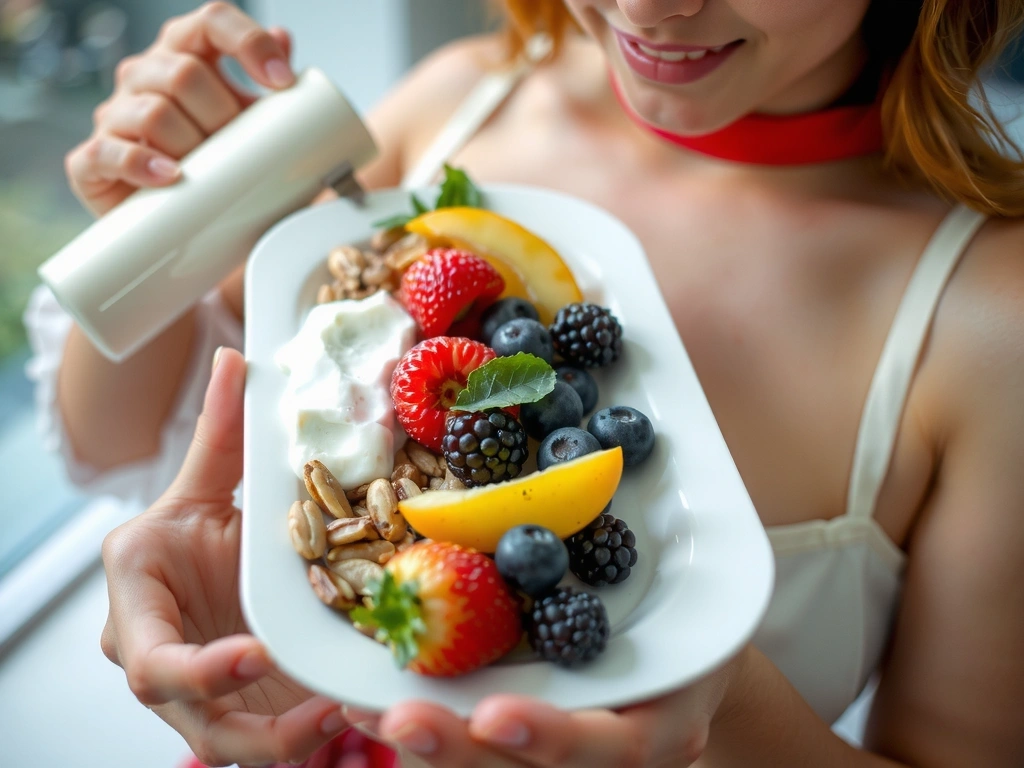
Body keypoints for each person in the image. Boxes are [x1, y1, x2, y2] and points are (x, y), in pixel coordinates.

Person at [28, 0, 1024, 765]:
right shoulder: (459, 100)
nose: (650, 5)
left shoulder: (990, 322)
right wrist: (147, 229)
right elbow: (121, 440)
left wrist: (715, 705)